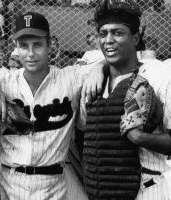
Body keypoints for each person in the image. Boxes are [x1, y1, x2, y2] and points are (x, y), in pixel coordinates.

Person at [0, 11, 106, 200]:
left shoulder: (71, 78)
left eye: (38, 45)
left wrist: (100, 67)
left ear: (49, 44)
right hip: (8, 182)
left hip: (52, 185)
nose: (31, 53)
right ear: (16, 46)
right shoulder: (3, 80)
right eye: (24, 46)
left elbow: (115, 60)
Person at [81, 0, 171, 199]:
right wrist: (98, 67)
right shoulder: (91, 81)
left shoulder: (161, 76)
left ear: (136, 37)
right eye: (103, 34)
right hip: (105, 190)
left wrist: (141, 138)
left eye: (118, 33)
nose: (108, 40)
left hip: (154, 186)